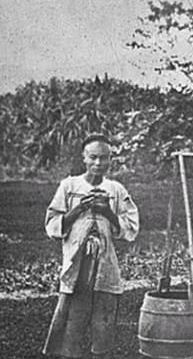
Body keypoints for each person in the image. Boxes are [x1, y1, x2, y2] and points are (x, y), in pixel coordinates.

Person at [43, 134, 139, 359]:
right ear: (84, 158)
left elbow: (131, 228)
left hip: (105, 263)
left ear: (110, 160)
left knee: (103, 315)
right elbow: (51, 224)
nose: (98, 163)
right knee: (72, 316)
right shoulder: (69, 186)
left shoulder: (116, 190)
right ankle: (69, 353)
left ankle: (100, 353)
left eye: (104, 158)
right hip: (77, 263)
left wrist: (107, 212)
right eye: (93, 157)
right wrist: (78, 209)